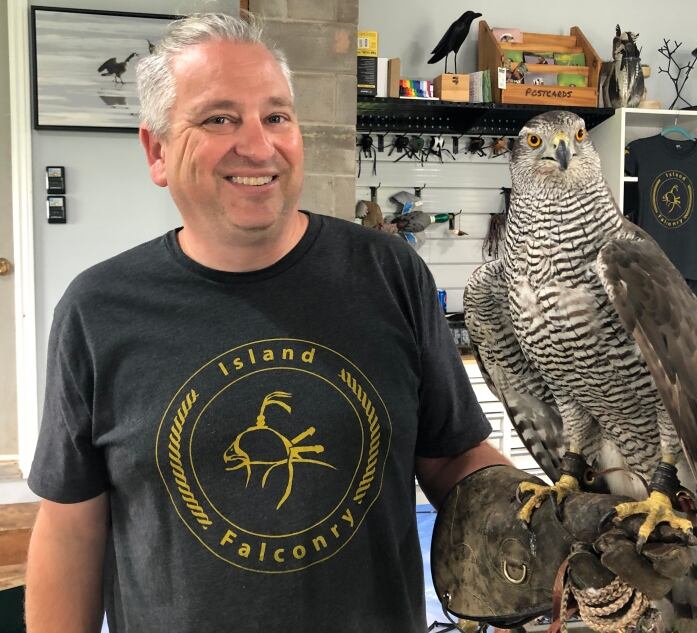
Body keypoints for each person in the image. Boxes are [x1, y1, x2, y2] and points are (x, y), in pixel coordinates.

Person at [24, 12, 509, 633]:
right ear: (157, 151)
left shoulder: (390, 275)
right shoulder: (97, 310)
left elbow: (453, 457)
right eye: (219, 118)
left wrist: (533, 519)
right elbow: (70, 527)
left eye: (276, 116)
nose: (258, 146)